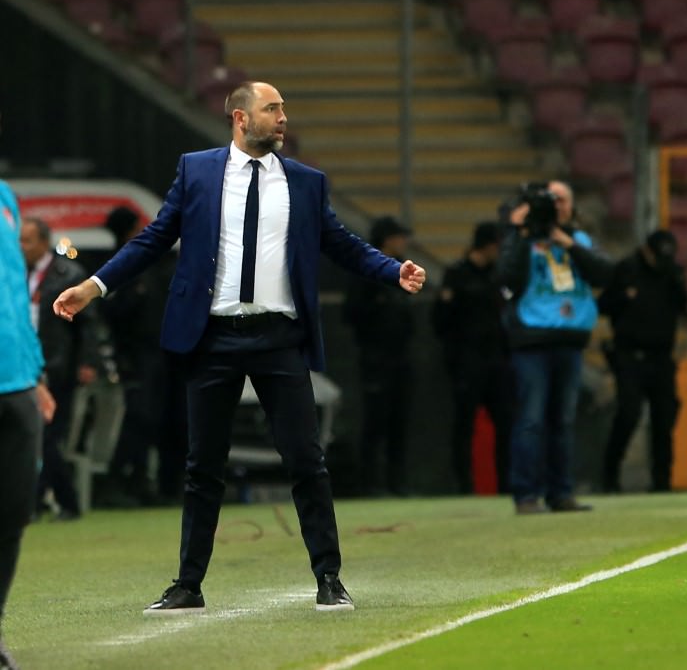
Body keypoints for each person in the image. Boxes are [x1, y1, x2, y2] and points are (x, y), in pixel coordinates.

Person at [51, 81, 427, 614]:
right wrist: (94, 286)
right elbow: (154, 238)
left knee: (306, 460)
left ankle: (329, 577)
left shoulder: (306, 182)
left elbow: (341, 244)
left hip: (279, 337)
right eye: (272, 108)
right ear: (240, 118)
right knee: (203, 466)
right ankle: (188, 585)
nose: (282, 117)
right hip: (213, 336)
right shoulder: (197, 171)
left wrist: (392, 270)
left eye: (284, 109)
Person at [496, 180, 612, 515]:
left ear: (572, 207)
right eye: (550, 200)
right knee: (531, 419)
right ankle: (526, 494)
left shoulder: (580, 240)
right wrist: (520, 232)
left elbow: (606, 273)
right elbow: (507, 280)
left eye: (562, 200)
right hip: (532, 338)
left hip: (570, 339)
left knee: (562, 420)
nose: (556, 206)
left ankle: (561, 493)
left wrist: (568, 243)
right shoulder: (521, 239)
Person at [1, 166, 57, 670]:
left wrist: (36, 372)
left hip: (17, 382)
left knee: (14, 511)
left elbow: (16, 293)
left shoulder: (5, 198)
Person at [598, 230, 687, 493]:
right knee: (628, 414)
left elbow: (682, 303)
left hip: (661, 357)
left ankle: (662, 481)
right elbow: (603, 304)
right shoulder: (626, 270)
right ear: (646, 251)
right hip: (629, 355)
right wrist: (624, 297)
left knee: (664, 419)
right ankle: (610, 476)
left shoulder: (673, 272)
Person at [20, 217, 101, 522]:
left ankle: (60, 500)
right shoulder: (17, 273)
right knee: (32, 436)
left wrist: (87, 362)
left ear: (44, 242)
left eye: (27, 240)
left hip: (57, 366)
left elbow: (88, 325)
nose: (21, 246)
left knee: (47, 437)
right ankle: (42, 500)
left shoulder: (69, 274)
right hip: (26, 366)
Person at [433, 221, 514, 495]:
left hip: (496, 360)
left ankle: (506, 484)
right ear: (487, 246)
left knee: (505, 422)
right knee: (464, 424)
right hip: (467, 360)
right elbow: (440, 320)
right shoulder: (456, 275)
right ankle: (463, 485)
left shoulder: (498, 276)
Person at [100, 206, 174, 506]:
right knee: (138, 418)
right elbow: (112, 313)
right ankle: (118, 479)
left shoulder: (145, 263)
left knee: (151, 418)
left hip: (155, 353)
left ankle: (141, 480)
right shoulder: (122, 266)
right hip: (135, 355)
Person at [342, 216, 416, 497]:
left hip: (400, 357)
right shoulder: (365, 270)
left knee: (400, 420)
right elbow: (351, 313)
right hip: (375, 357)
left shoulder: (403, 269)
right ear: (387, 239)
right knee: (376, 421)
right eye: (399, 237)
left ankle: (398, 483)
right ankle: (370, 483)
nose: (404, 242)